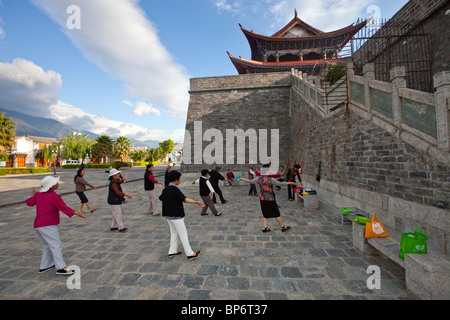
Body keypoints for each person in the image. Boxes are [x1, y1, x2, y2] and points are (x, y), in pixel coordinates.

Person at [26, 176, 86, 275]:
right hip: (48, 225)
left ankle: (45, 265)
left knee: (47, 246)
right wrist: (77, 213)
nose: (58, 184)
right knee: (55, 245)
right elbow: (63, 207)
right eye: (56, 183)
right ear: (51, 186)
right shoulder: (54, 196)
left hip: (38, 225)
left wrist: (34, 193)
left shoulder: (38, 195)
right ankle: (61, 267)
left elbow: (29, 202)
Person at [159, 170, 204, 260]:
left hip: (168, 215)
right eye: (179, 179)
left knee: (174, 233)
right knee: (183, 234)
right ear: (176, 179)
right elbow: (185, 199)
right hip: (176, 216)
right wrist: (197, 202)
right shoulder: (175, 189)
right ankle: (190, 253)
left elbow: (161, 198)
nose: (180, 180)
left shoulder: (166, 189)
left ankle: (172, 251)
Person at [238, 165, 296, 233]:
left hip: (262, 199)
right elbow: (280, 183)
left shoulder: (259, 178)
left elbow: (250, 181)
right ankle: (282, 226)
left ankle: (265, 227)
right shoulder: (270, 179)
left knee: (265, 213)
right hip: (270, 199)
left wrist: (242, 179)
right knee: (277, 213)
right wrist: (289, 182)